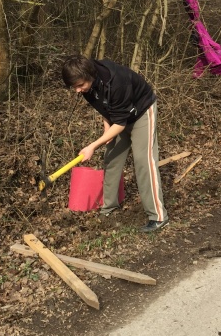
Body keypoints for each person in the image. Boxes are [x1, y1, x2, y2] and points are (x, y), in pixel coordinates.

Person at [62, 55, 168, 232]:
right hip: (119, 117)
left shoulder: (117, 82)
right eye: (74, 87)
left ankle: (158, 216)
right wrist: (106, 128)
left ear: (89, 75)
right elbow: (103, 106)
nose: (77, 91)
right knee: (111, 158)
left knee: (143, 161)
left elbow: (120, 124)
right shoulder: (87, 85)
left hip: (141, 112)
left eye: (80, 85)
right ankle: (109, 208)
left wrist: (93, 146)